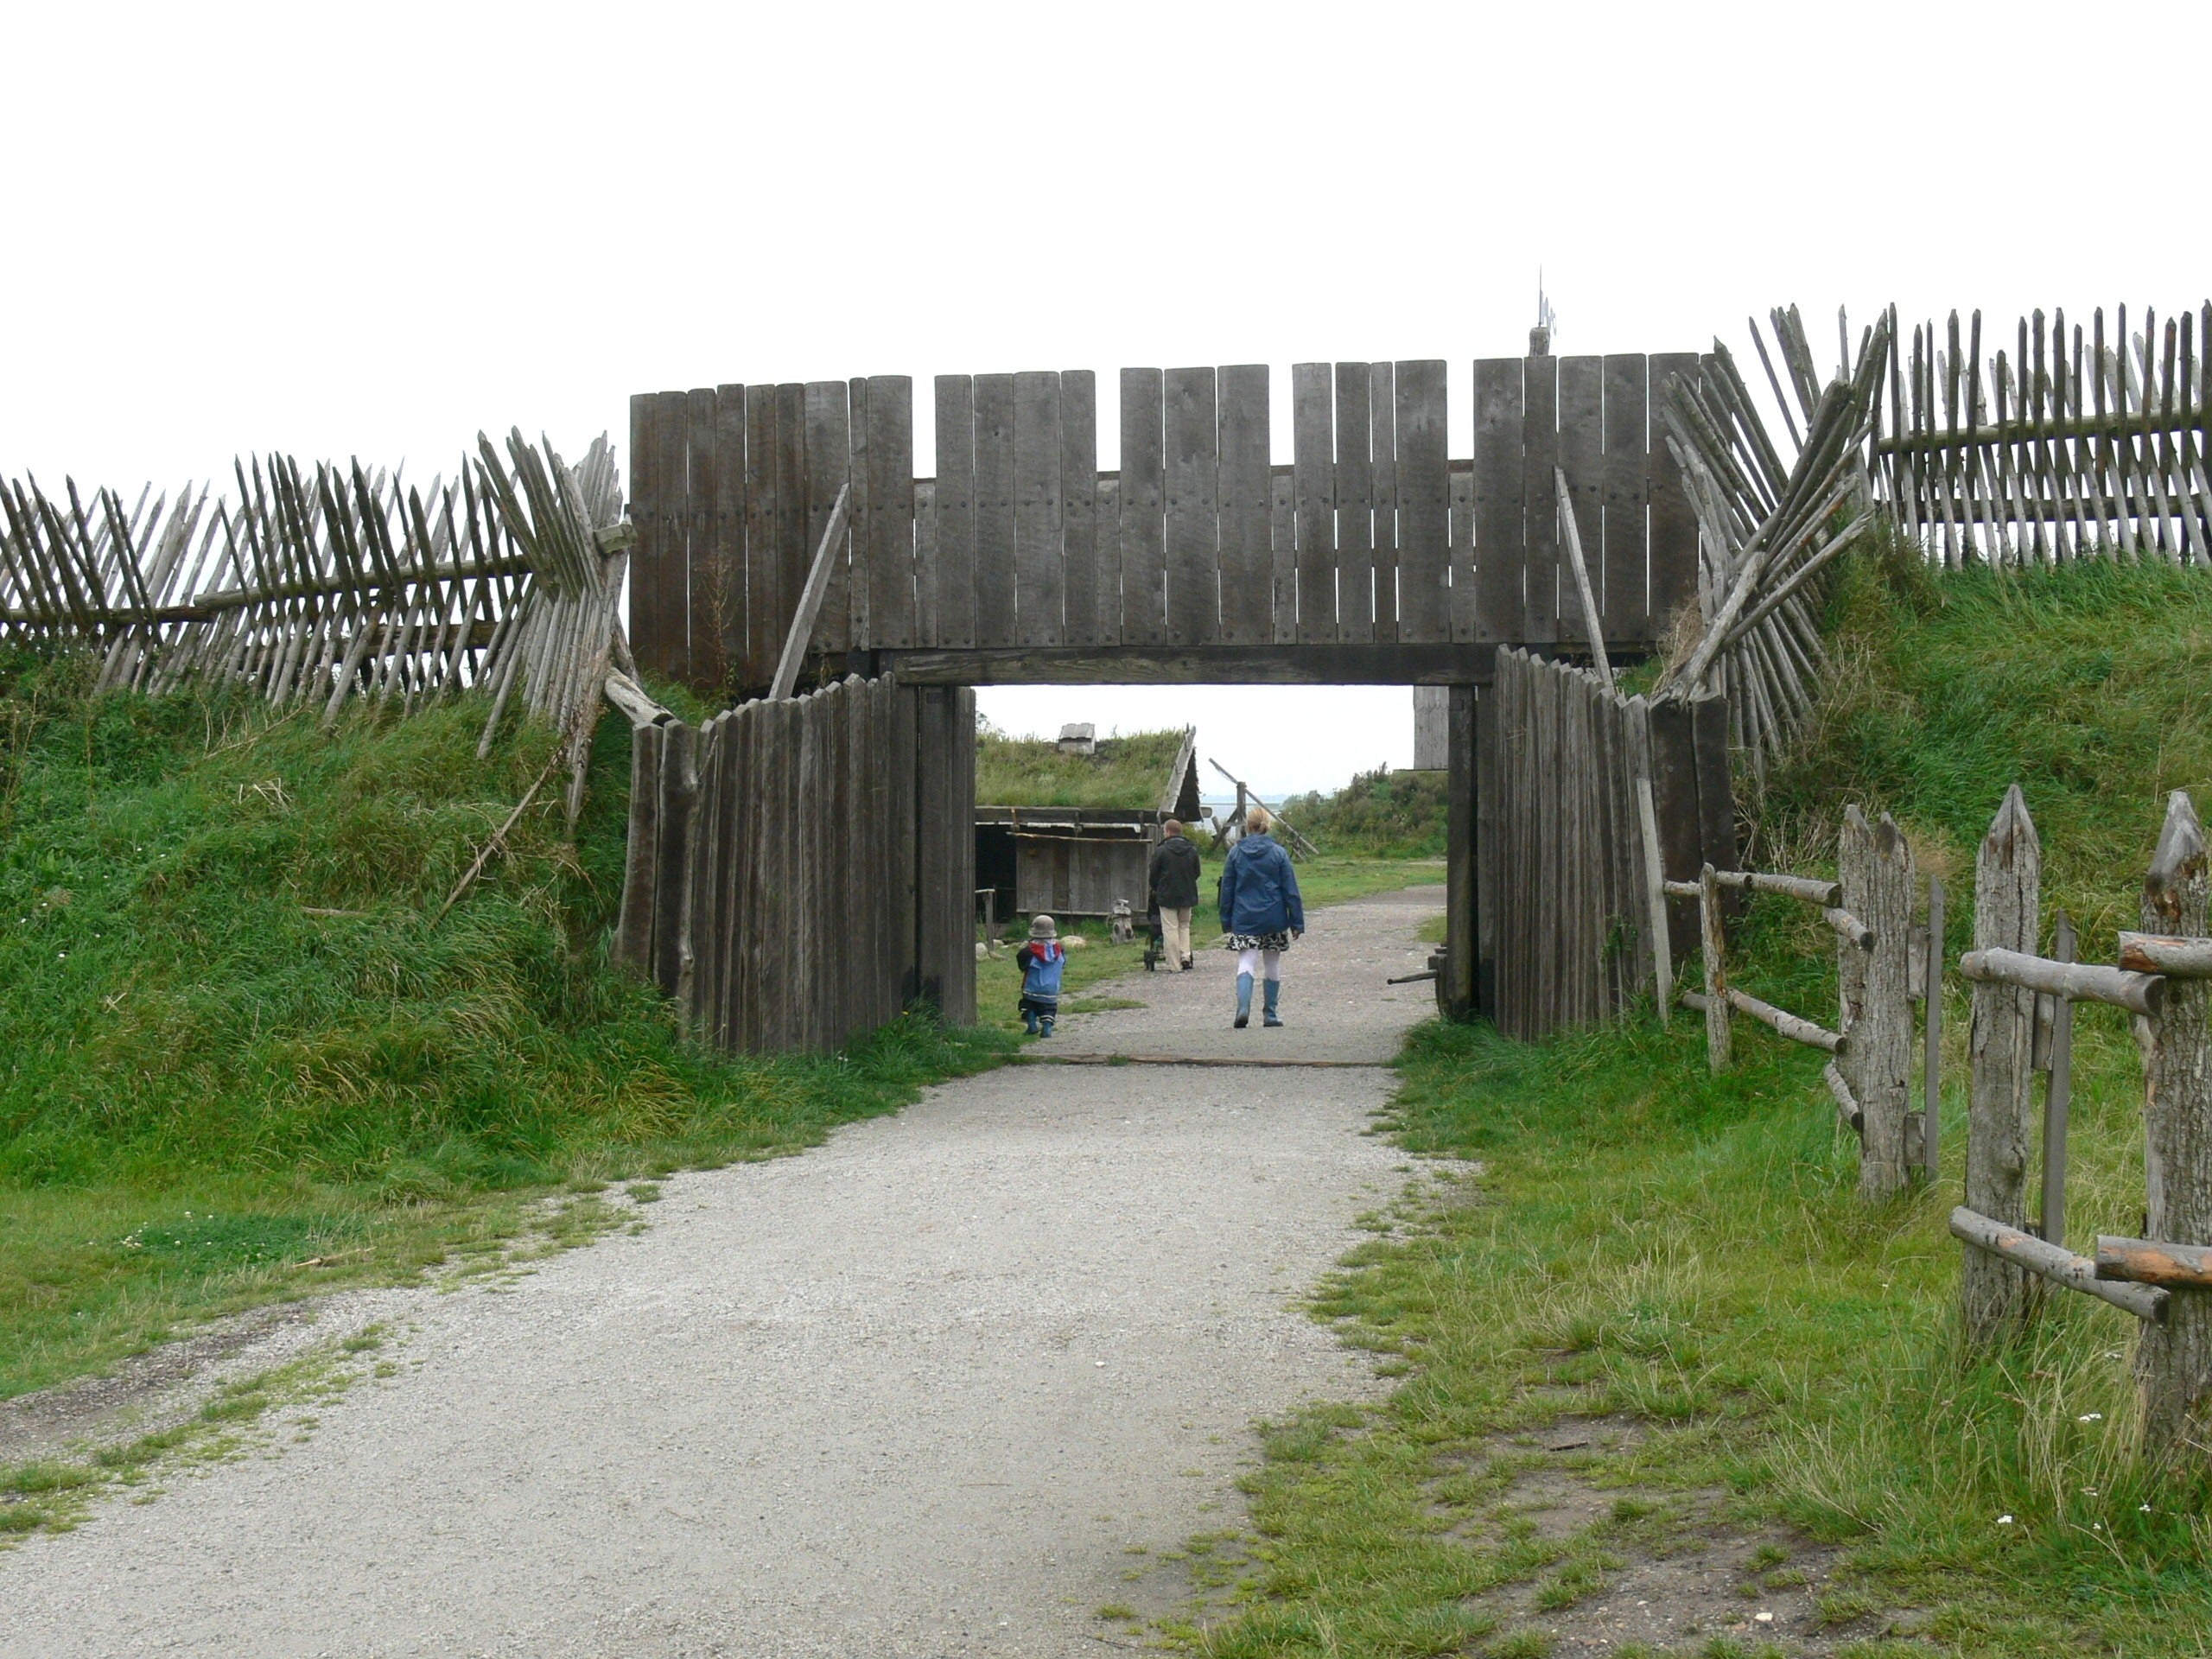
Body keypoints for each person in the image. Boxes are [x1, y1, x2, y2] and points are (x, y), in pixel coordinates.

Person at [1217, 806, 1303, 1029]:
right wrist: (1296, 922)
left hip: (1245, 918)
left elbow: (1227, 889)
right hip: (1274, 917)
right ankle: (1270, 1014)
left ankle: (1243, 1008)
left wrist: (1226, 920)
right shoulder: (1278, 853)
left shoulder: (1235, 853)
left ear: (1248, 826)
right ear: (1267, 825)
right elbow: (1290, 890)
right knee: (1272, 962)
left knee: (1246, 961)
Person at [1147, 818, 1202, 970]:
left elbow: (1153, 875)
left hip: (1167, 895)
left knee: (1170, 928)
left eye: (1165, 831)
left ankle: (1174, 964)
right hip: (1187, 894)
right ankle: (1185, 956)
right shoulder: (1192, 850)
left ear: (1169, 832)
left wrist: (1157, 887)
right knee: (1184, 926)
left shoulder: (1161, 851)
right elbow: (1197, 872)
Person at [1014, 913, 1065, 1037]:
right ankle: (1047, 1028)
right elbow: (1063, 963)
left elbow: (1022, 965)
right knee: (1049, 1008)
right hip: (1051, 988)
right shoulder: (1059, 950)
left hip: (1032, 986)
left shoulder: (1028, 951)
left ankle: (1032, 1026)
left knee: (1028, 1005)